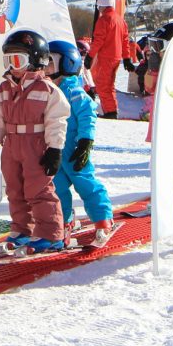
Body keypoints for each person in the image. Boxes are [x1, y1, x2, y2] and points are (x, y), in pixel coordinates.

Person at [0, 30, 69, 254]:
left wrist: (55, 148)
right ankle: (22, 229)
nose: (13, 65)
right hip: (11, 145)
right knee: (15, 189)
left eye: (18, 59)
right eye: (8, 60)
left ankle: (50, 234)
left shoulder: (47, 90)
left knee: (38, 189)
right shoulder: (3, 90)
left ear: (35, 61)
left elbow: (57, 120)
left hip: (35, 145)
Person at [46, 40, 114, 248]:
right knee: (56, 189)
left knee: (86, 184)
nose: (46, 67)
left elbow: (87, 115)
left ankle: (103, 219)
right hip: (56, 150)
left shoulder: (73, 90)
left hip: (75, 149)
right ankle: (63, 222)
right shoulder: (47, 90)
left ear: (66, 63)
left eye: (51, 62)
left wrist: (85, 141)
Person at [87, 0, 130, 119]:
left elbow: (98, 41)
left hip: (106, 57)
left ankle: (110, 112)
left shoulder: (104, 20)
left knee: (103, 85)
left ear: (102, 6)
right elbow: (125, 40)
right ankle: (111, 110)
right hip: (116, 58)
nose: (98, 9)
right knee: (109, 85)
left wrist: (90, 56)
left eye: (99, 7)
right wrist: (126, 58)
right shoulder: (119, 19)